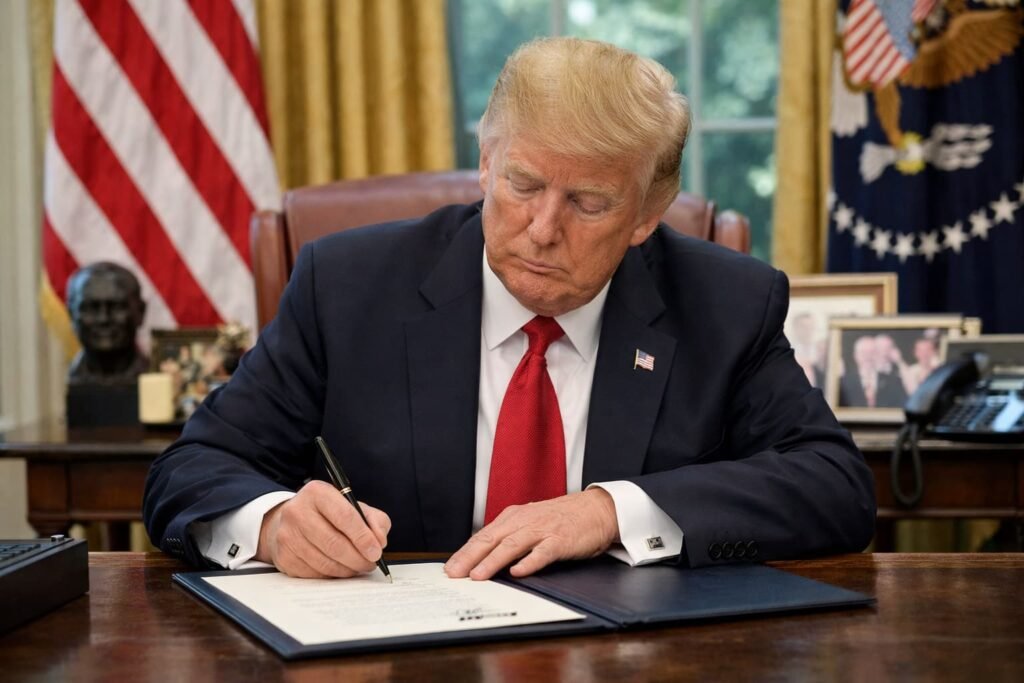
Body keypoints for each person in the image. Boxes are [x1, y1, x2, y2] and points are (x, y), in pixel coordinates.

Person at [143, 38, 874, 580]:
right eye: (523, 184)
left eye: (589, 202)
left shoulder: (724, 303)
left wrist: (610, 510)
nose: (543, 228)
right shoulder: (347, 286)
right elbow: (193, 466)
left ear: (648, 213)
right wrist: (273, 525)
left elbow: (835, 486)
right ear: (486, 163)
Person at [66, 262, 148, 385]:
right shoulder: (72, 378)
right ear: (71, 314)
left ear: (140, 312)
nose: (103, 319)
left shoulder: (156, 377)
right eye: (91, 308)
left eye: (117, 307)